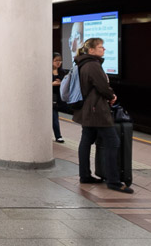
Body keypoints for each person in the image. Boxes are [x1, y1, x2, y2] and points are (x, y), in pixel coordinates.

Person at [72, 37, 132, 193]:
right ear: (91, 50)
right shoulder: (92, 65)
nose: (103, 49)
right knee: (113, 142)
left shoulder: (82, 63)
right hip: (96, 111)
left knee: (85, 142)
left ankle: (85, 175)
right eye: (100, 47)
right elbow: (102, 87)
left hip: (88, 110)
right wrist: (112, 96)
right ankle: (113, 181)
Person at [51, 51, 67, 143]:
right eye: (56, 60)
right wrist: (52, 84)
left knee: (54, 116)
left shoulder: (62, 72)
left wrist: (61, 83)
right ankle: (58, 136)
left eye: (60, 61)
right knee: (54, 117)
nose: (58, 63)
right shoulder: (46, 71)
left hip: (59, 98)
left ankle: (58, 136)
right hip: (49, 97)